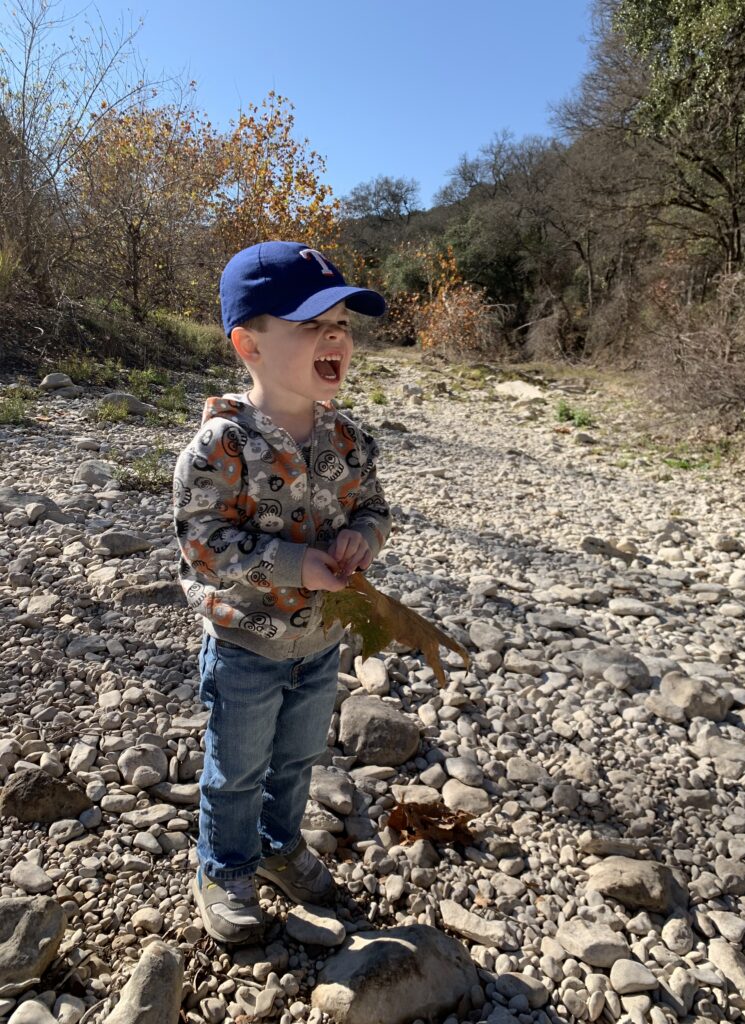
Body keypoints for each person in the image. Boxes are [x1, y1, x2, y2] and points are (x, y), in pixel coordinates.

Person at [173, 241, 391, 944]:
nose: (334, 335)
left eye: (343, 323)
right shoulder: (221, 445)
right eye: (308, 323)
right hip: (246, 641)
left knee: (297, 758)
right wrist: (297, 565)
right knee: (236, 767)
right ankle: (224, 865)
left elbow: (373, 510)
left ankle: (275, 845)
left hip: (320, 641)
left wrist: (364, 540)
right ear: (249, 344)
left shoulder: (349, 440)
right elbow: (206, 548)